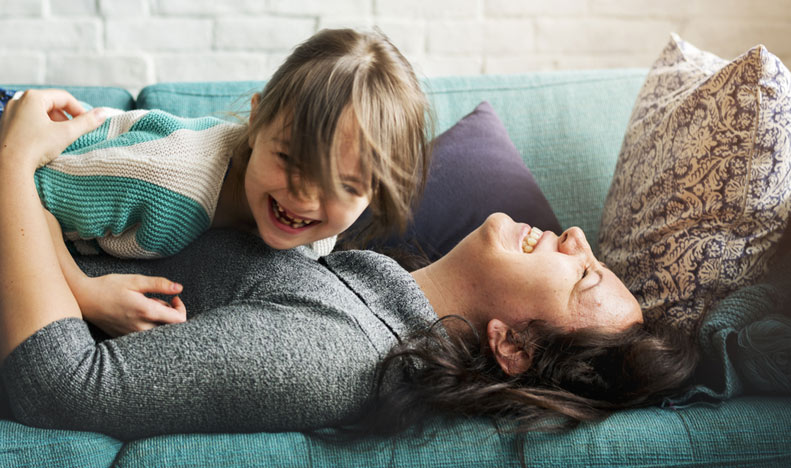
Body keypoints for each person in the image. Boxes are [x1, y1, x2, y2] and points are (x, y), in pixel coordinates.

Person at [0, 89, 698, 441]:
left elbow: (62, 386)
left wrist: (14, 159)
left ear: (512, 345)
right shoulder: (344, 266)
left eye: (584, 275)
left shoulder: (336, 350)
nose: (577, 236)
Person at [3, 28, 431, 337]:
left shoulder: (317, 238)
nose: (304, 197)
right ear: (256, 119)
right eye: (289, 160)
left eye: (345, 185)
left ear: (375, 189)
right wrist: (85, 294)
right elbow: (19, 193)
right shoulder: (163, 181)